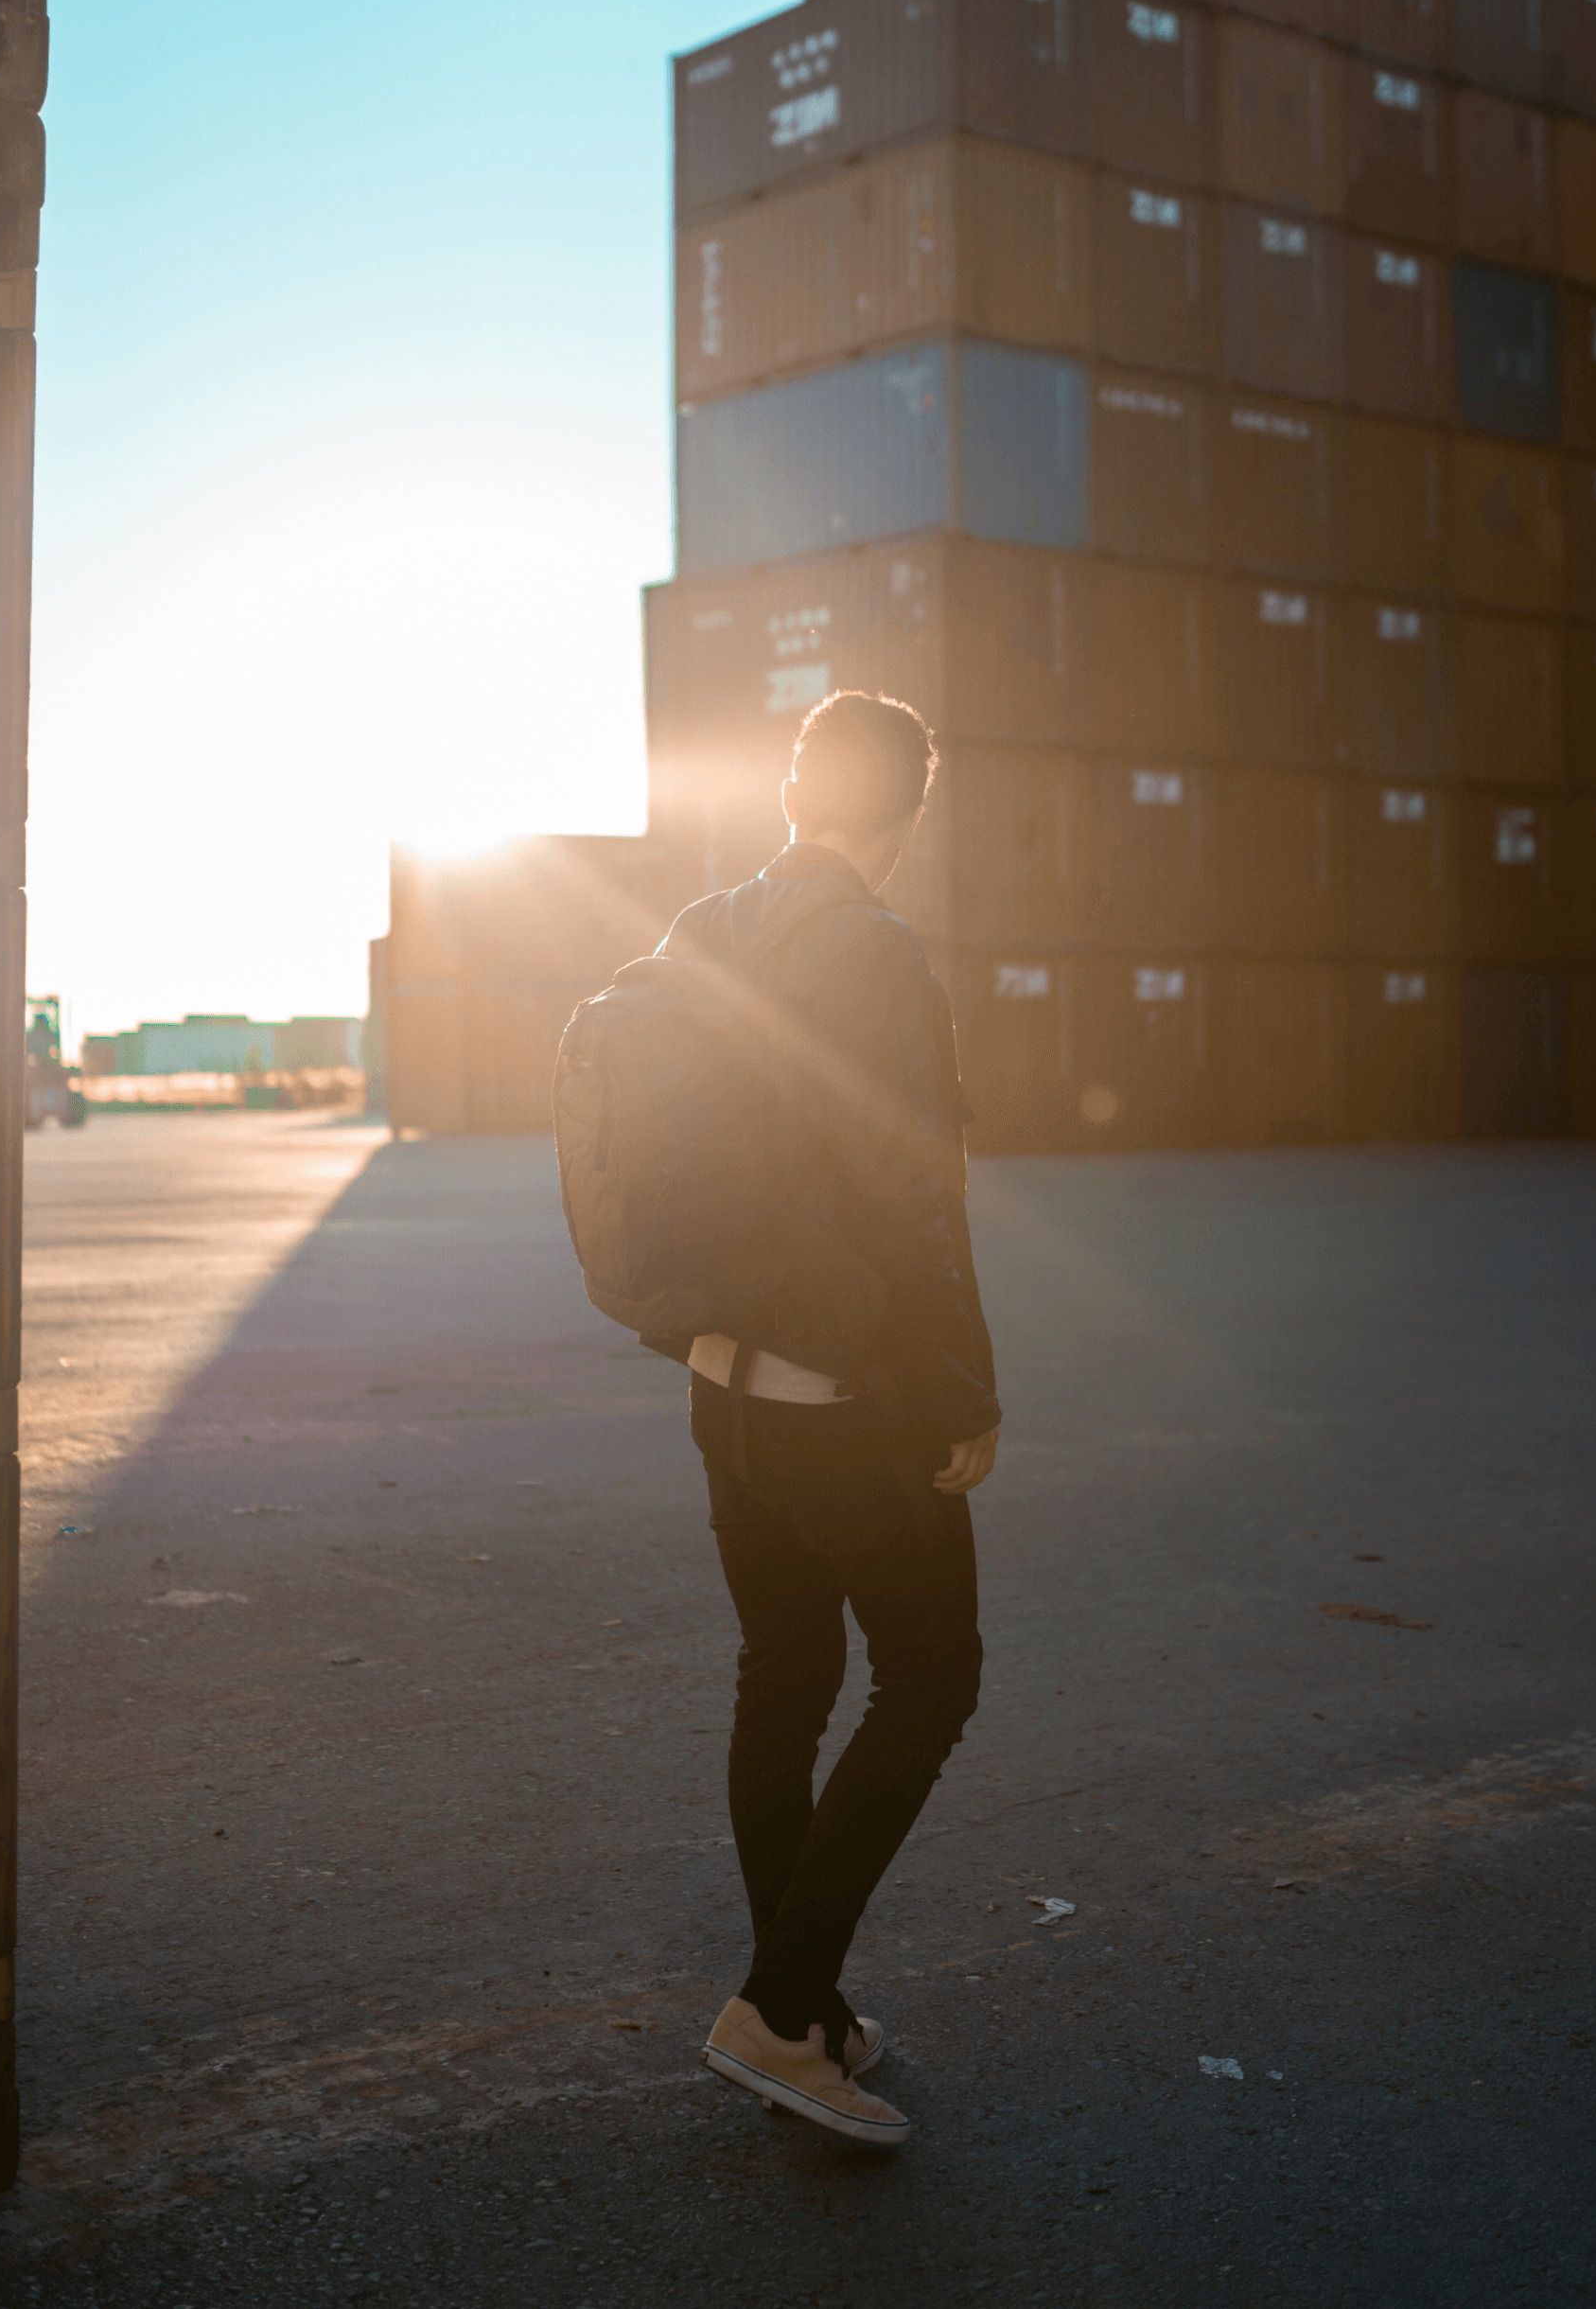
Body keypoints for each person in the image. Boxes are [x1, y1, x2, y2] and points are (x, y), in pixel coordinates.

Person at [658, 689, 1001, 2148]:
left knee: (783, 1679)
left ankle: (814, 2012)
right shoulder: (873, 948)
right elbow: (912, 1189)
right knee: (932, 1672)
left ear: (798, 792)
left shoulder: (699, 929)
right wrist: (966, 1391)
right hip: (834, 1399)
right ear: (905, 814)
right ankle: (780, 2006)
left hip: (718, 1388)